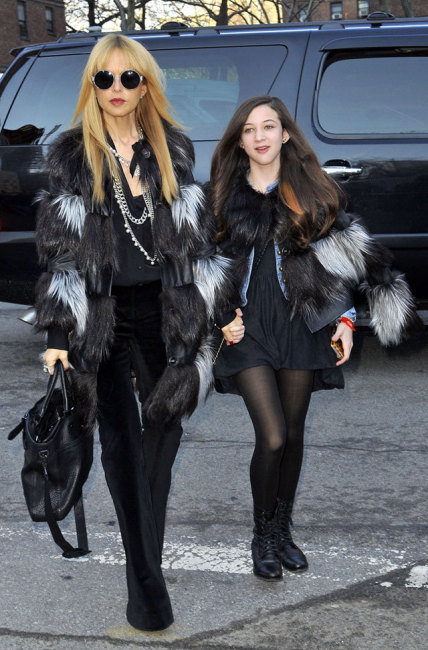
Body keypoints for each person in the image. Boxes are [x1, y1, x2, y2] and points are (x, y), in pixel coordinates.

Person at [34, 33, 241, 631]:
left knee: (163, 437)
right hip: (101, 317)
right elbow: (60, 257)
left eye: (130, 77)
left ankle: (142, 561)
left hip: (164, 310)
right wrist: (56, 336)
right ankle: (147, 591)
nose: (118, 88)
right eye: (105, 78)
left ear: (146, 85)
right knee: (121, 446)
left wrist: (224, 308)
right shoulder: (72, 156)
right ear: (92, 86)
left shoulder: (172, 149)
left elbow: (198, 244)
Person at [209, 95, 420, 581]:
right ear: (239, 141)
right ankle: (262, 536)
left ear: (285, 134)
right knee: (272, 436)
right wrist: (220, 318)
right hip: (247, 329)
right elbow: (201, 268)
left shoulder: (313, 193)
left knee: (294, 434)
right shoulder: (219, 197)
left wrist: (345, 319)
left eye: (268, 126)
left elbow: (342, 263)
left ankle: (282, 531)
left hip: (301, 324)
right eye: (248, 129)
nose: (259, 136)